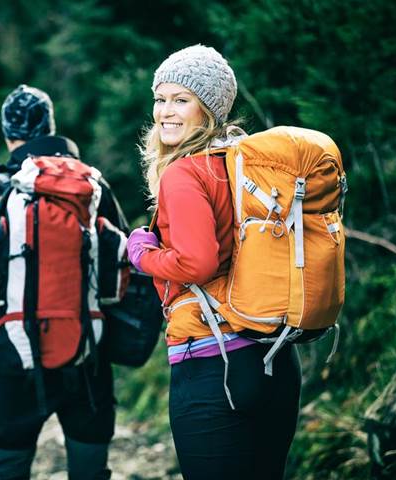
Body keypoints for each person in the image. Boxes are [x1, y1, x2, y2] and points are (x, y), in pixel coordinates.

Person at [126, 45, 302, 480]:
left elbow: (197, 262)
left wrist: (142, 254)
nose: (166, 111)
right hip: (275, 360)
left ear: (208, 109)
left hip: (214, 364)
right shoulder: (250, 166)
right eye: (160, 98)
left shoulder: (186, 173)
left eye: (181, 100)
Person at [0, 85, 128, 480]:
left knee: (7, 465)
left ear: (7, 134)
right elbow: (125, 264)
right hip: (89, 351)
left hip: (15, 350)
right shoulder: (93, 188)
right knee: (90, 468)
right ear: (51, 127)